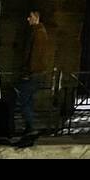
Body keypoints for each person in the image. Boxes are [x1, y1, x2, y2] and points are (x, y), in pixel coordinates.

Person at [14, 10, 53, 144]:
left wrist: (28, 72)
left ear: (36, 18)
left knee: (23, 98)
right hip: (35, 73)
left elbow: (35, 56)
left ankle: (31, 127)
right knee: (27, 99)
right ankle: (29, 127)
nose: (27, 19)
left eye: (30, 16)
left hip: (33, 73)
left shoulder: (38, 33)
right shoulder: (38, 32)